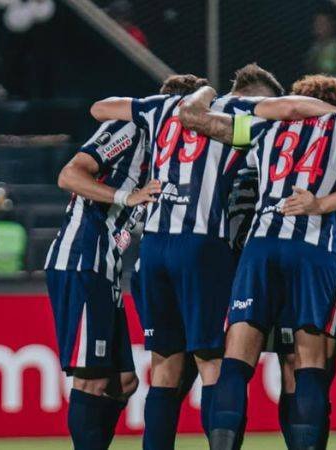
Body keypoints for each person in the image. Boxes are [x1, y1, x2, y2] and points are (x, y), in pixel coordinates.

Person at [179, 75, 336, 449]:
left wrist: (207, 92)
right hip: (315, 250)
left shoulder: (263, 126)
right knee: (310, 363)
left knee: (236, 361)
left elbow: (193, 118)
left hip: (261, 247)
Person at [88, 65, 291, 449]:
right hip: (202, 245)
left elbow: (99, 108)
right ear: (255, 97)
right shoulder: (240, 114)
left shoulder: (159, 107)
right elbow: (286, 117)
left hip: (153, 247)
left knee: (164, 369)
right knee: (212, 362)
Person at [44, 113, 156, 450]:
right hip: (82, 260)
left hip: (107, 268)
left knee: (123, 381)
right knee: (91, 381)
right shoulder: (132, 128)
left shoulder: (165, 154)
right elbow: (69, 175)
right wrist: (126, 197)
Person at [306, 11, 336, 81]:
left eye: (323, 24)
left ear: (332, 25)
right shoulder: (314, 48)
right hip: (318, 78)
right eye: (317, 24)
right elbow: (309, 66)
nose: (319, 27)